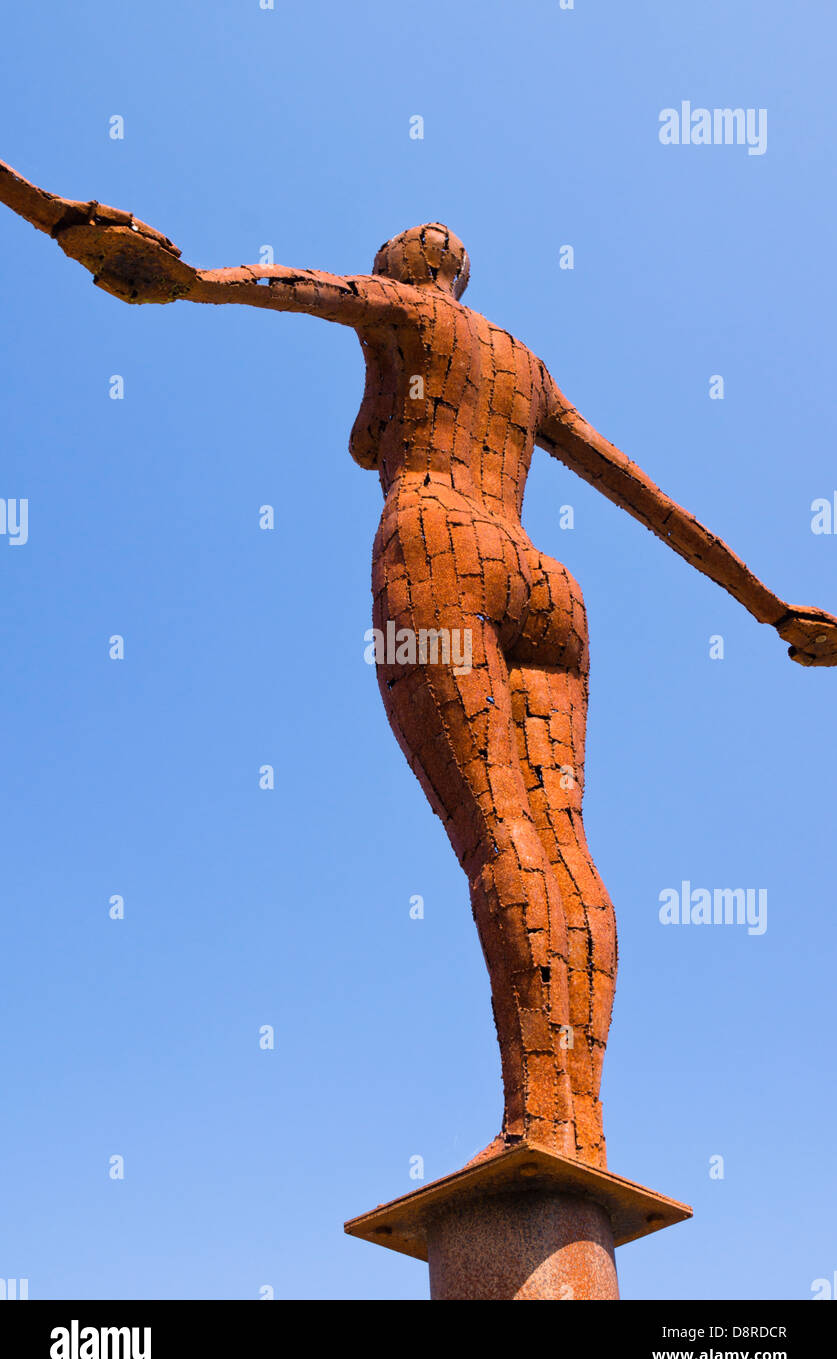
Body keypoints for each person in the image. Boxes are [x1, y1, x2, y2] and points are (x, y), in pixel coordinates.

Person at [3, 160, 835, 1169]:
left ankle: (536, 1120)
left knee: (499, 838)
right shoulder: (524, 365)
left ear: (409, 267)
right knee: (565, 848)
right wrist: (769, 606)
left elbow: (305, 287)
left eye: (390, 258)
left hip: (439, 542)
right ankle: (584, 1127)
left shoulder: (402, 311)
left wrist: (190, 280)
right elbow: (645, 494)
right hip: (547, 584)